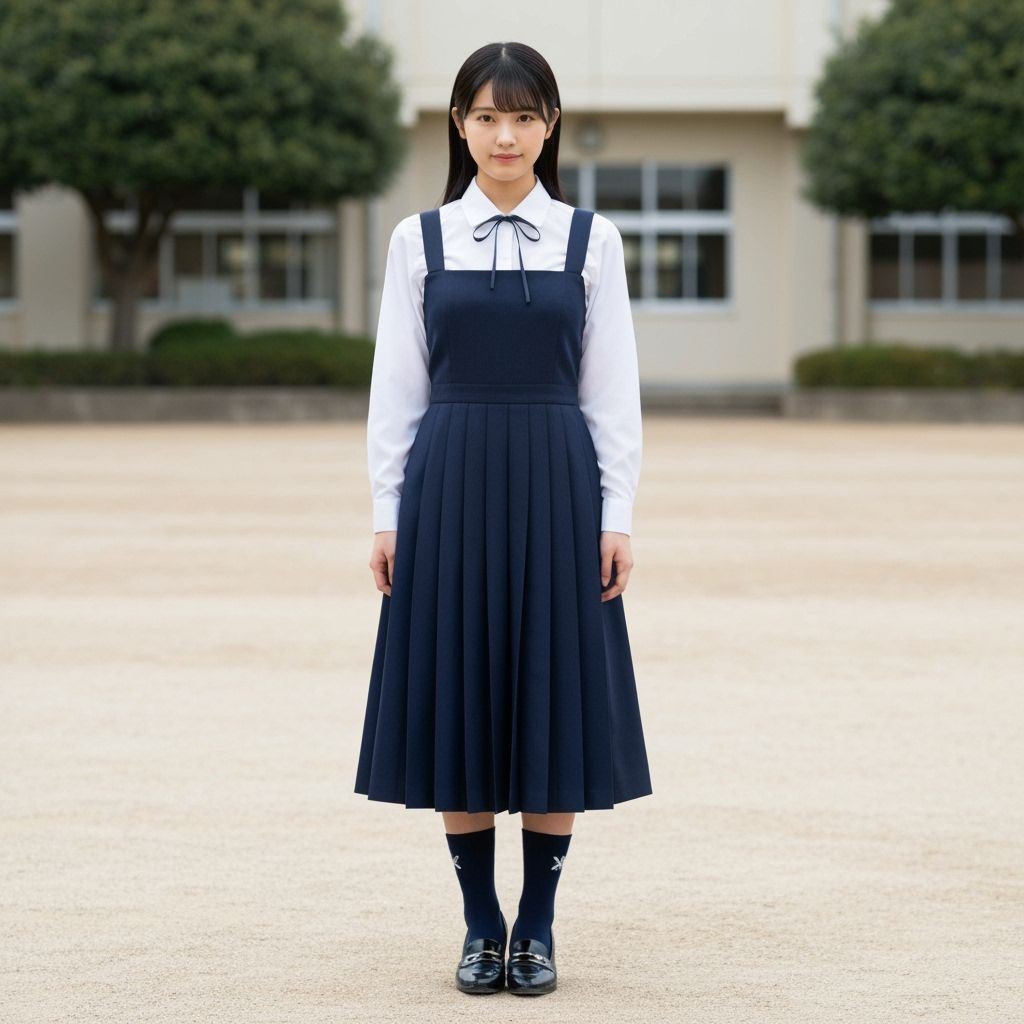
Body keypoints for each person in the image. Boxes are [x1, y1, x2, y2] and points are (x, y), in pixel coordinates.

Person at [354, 40, 653, 996]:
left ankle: (539, 925)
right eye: (486, 116)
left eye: (524, 116)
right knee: (462, 698)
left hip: (559, 480)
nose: (505, 134)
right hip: (448, 480)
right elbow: (395, 388)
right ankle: (481, 924)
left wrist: (619, 512)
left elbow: (613, 391)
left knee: (552, 697)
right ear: (459, 126)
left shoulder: (589, 239)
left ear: (550, 126)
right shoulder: (420, 239)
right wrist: (386, 511)